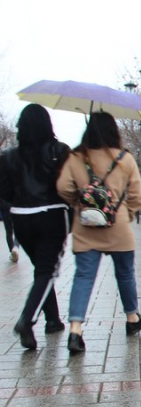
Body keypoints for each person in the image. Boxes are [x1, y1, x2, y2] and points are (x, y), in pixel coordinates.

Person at [56, 112, 141, 354]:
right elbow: (138, 198)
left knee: (83, 277)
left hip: (86, 228)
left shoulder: (77, 157)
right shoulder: (124, 159)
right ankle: (131, 319)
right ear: (113, 130)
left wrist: (80, 203)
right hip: (117, 228)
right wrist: (124, 214)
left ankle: (75, 330)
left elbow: (63, 187)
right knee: (125, 274)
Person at [0, 104, 71, 350]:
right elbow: (68, 186)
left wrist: (14, 206)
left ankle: (52, 320)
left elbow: (4, 192)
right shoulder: (59, 151)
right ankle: (27, 320)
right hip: (51, 216)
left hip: (21, 219)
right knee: (47, 271)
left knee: (41, 268)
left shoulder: (8, 157)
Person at [1, 198, 19, 262]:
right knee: (18, 231)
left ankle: (12, 251)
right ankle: (15, 247)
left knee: (9, 232)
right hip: (15, 209)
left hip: (5, 210)